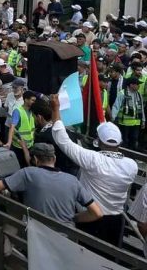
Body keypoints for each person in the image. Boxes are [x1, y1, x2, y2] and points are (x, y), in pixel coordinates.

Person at [50, 95, 138, 246]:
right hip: (117, 219)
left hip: (91, 217)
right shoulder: (132, 165)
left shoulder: (93, 160)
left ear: (98, 141)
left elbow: (62, 139)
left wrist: (56, 109)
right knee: (110, 258)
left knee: (88, 254)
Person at [0, 143, 103, 226]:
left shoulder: (29, 173)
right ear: (54, 158)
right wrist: (73, 218)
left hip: (38, 239)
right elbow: (97, 213)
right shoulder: (73, 180)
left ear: (35, 159)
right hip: (68, 238)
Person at [111, 76, 144, 150]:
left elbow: (141, 109)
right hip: (124, 123)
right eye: (137, 84)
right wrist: (113, 118)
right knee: (124, 141)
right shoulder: (122, 94)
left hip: (136, 123)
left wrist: (143, 121)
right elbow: (116, 106)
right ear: (131, 85)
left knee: (134, 140)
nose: (139, 86)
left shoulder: (139, 95)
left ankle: (131, 156)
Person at [7, 90, 36, 167]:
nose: (34, 102)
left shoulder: (31, 112)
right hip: (19, 146)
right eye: (32, 100)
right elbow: (12, 127)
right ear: (26, 100)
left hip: (29, 145)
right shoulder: (18, 111)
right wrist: (10, 142)